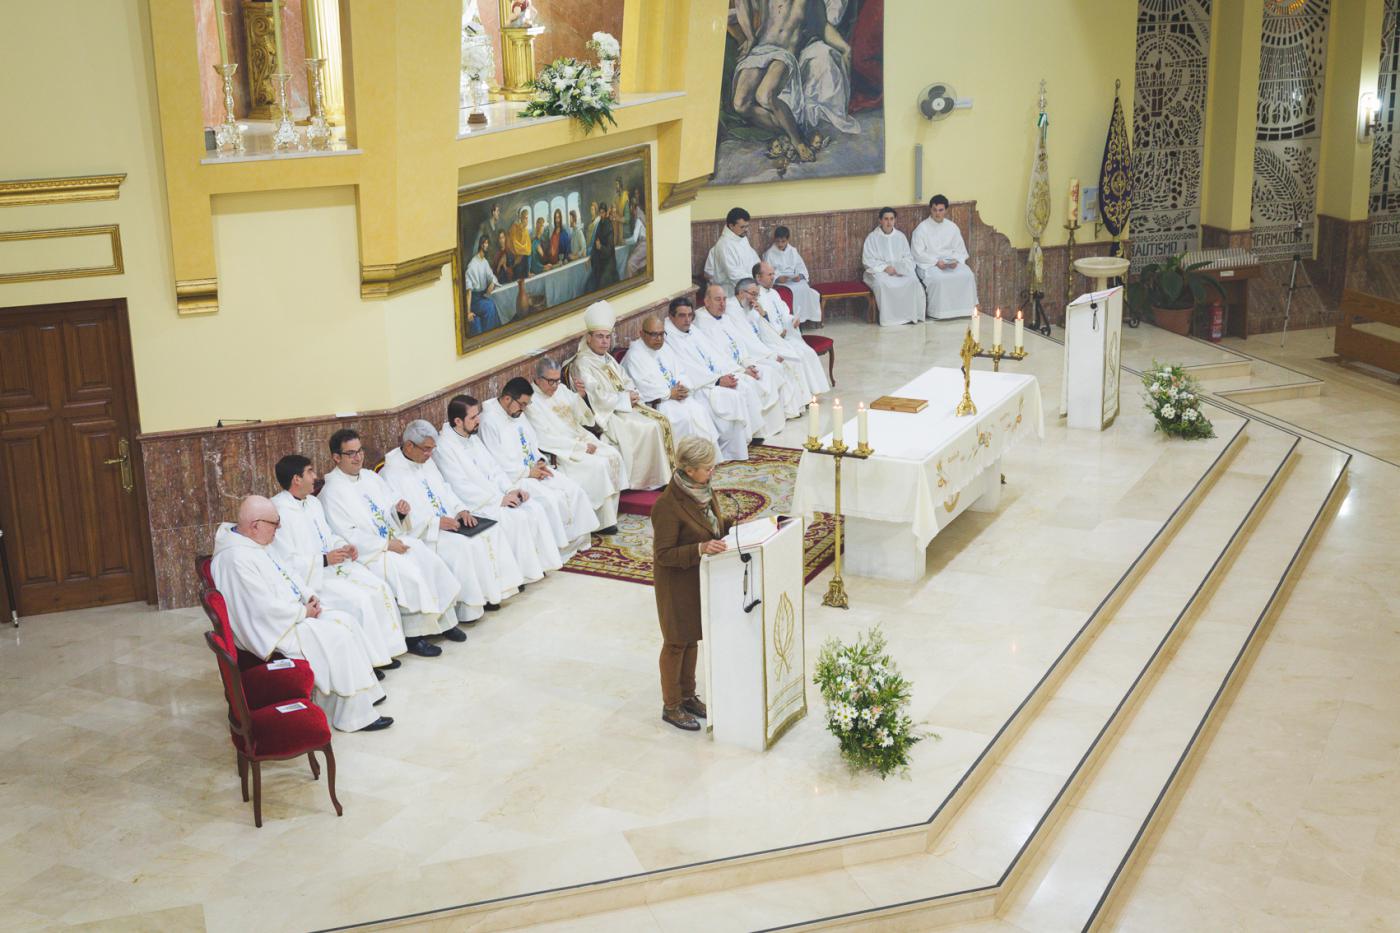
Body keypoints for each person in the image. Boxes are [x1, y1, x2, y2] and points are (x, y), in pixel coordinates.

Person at [212, 495, 391, 732]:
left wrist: (307, 595)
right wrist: (301, 611)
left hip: (292, 614)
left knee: (346, 620)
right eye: (275, 524)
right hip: (274, 628)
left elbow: (287, 573)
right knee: (338, 637)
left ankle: (362, 696)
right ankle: (353, 716)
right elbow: (260, 608)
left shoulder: (255, 543)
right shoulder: (235, 558)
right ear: (255, 525)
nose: (279, 528)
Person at [318, 428, 461, 658]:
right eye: (350, 453)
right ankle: (415, 636)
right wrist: (385, 545)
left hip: (393, 540)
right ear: (336, 457)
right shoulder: (331, 492)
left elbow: (390, 506)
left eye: (360, 451)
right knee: (409, 573)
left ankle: (445, 622)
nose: (358, 457)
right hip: (372, 554)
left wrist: (399, 512)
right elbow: (347, 534)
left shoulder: (371, 477)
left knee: (429, 560)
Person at [270, 455, 407, 670]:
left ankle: (385, 652)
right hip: (314, 578)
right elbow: (284, 561)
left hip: (334, 567)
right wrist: (323, 560)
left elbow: (327, 535)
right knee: (360, 600)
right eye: (310, 471)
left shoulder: (313, 503)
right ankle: (368, 663)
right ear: (297, 479)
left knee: (379, 587)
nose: (315, 476)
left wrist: (343, 546)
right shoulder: (277, 512)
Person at [381, 420, 524, 625]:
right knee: (464, 545)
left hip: (449, 520)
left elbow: (445, 488)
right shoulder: (391, 473)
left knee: (488, 531)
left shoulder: (426, 461)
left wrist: (460, 509)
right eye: (426, 449)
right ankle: (469, 607)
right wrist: (436, 522)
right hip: (426, 533)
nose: (430, 454)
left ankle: (491, 593)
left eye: (433, 449)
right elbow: (401, 513)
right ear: (409, 445)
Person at [435, 394, 572, 571]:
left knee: (534, 508)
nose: (479, 420)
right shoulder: (445, 447)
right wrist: (498, 500)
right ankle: (521, 572)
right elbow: (459, 486)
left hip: (497, 495)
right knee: (517, 518)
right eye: (473, 417)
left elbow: (494, 468)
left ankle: (539, 566)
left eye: (478, 415)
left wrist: (511, 489)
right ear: (458, 421)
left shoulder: (472, 437)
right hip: (479, 504)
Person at [651, 437, 732, 732]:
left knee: (692, 638)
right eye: (707, 468)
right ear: (688, 469)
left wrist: (730, 528)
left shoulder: (703, 491)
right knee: (675, 642)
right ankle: (671, 705)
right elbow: (663, 554)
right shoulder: (667, 506)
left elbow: (709, 527)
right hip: (676, 584)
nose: (712, 472)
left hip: (698, 579)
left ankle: (688, 695)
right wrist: (699, 549)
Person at [479, 377, 610, 537]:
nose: (524, 409)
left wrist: (540, 462)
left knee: (573, 490)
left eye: (527, 404)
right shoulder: (489, 422)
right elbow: (497, 462)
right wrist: (529, 472)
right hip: (516, 478)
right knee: (551, 500)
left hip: (534, 470)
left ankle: (578, 541)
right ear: (507, 399)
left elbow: (532, 441)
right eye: (522, 404)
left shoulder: (516, 412)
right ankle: (561, 547)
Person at [569, 300, 673, 490]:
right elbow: (595, 397)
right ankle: (643, 482)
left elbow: (625, 379)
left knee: (660, 421)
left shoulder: (607, 358)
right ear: (589, 338)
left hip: (623, 406)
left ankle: (658, 477)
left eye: (608, 337)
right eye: (600, 337)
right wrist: (624, 399)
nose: (604, 342)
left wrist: (631, 393)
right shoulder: (582, 363)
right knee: (648, 427)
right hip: (608, 414)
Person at [665, 294, 781, 445]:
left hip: (714, 377)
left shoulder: (692, 330)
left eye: (689, 315)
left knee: (743, 384)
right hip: (701, 386)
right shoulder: (669, 338)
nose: (687, 320)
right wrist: (718, 381)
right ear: (671, 316)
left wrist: (735, 370)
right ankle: (734, 444)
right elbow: (688, 369)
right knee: (735, 394)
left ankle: (751, 435)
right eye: (682, 316)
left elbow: (715, 354)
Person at [526, 358, 625, 531]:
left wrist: (580, 397)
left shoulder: (560, 389)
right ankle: (598, 522)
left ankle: (609, 516)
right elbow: (543, 438)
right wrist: (580, 448)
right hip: (564, 450)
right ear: (539, 379)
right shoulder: (531, 402)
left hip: (580, 436)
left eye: (557, 380)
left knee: (613, 454)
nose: (555, 386)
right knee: (599, 465)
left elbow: (580, 416)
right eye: (551, 381)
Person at [621, 314, 726, 457]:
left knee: (699, 410)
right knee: (683, 418)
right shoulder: (635, 355)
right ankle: (684, 462)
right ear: (641, 333)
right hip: (659, 403)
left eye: (661, 334)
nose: (658, 339)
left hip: (677, 396)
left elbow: (681, 372)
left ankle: (704, 460)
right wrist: (669, 393)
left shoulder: (665, 348)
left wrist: (683, 387)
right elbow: (643, 387)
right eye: (653, 334)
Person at [691, 283, 793, 424]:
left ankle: (776, 422)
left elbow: (740, 345)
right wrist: (743, 371)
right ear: (706, 301)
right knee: (751, 385)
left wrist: (749, 364)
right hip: (728, 370)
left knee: (769, 372)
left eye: (724, 299)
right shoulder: (702, 323)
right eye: (717, 299)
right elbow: (717, 356)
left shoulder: (725, 318)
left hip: (741, 365)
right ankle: (758, 430)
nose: (722, 304)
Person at [730, 278, 807, 417]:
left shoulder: (750, 306)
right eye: (753, 294)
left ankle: (799, 405)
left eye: (757, 295)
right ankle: (788, 411)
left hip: (762, 347)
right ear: (741, 292)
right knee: (781, 364)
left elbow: (764, 331)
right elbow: (746, 340)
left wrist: (763, 315)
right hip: (751, 354)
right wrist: (770, 355)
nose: (755, 298)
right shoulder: (732, 310)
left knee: (793, 357)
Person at [753, 260, 831, 394]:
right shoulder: (755, 297)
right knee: (798, 356)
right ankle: (803, 394)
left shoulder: (774, 293)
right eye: (769, 274)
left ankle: (814, 391)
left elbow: (784, 314)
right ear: (758, 277)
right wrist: (778, 333)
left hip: (786, 336)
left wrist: (792, 321)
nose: (773, 277)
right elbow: (760, 323)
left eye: (773, 274)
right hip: (773, 341)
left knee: (809, 352)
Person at [911, 194, 977, 320]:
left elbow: (960, 250)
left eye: (940, 210)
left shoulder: (952, 227)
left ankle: (965, 311)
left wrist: (955, 261)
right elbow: (917, 253)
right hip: (929, 264)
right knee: (939, 279)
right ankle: (939, 313)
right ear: (931, 210)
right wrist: (936, 262)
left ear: (946, 210)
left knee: (967, 275)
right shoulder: (922, 229)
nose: (937, 213)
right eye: (934, 210)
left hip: (951, 263)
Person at [862, 206, 927, 326]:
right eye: (886, 219)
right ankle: (889, 319)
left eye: (891, 219)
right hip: (879, 272)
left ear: (895, 220)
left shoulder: (900, 236)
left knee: (912, 281)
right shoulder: (872, 238)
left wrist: (901, 268)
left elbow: (908, 257)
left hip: (899, 271)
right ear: (880, 220)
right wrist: (885, 268)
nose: (889, 222)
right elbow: (868, 260)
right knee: (882, 284)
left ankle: (910, 316)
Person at [763, 226, 822, 325]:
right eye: (778, 241)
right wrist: (777, 279)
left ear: (787, 239)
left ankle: (803, 318)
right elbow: (768, 272)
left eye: (783, 241)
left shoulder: (793, 251)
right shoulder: (769, 254)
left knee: (805, 289)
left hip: (794, 280)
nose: (780, 244)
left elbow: (800, 266)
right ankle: (793, 320)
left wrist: (800, 276)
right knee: (793, 292)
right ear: (775, 240)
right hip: (781, 283)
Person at [704, 207, 761, 296]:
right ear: (731, 226)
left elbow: (754, 259)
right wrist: (753, 282)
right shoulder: (724, 245)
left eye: (747, 226)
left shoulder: (742, 238)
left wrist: (760, 273)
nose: (746, 230)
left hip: (749, 286)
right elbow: (734, 275)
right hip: (731, 292)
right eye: (742, 227)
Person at [464, 235, 505, 335]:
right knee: (489, 306)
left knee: (494, 304)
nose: (487, 245)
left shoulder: (484, 262)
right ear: (481, 245)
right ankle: (489, 334)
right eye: (485, 243)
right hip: (474, 300)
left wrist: (492, 283)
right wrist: (468, 312)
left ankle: (495, 334)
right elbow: (468, 291)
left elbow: (491, 276)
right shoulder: (472, 265)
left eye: (487, 243)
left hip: (481, 297)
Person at [588, 203, 618, 291]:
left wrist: (600, 247)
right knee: (590, 285)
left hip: (609, 263)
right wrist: (590, 258)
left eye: (603, 213)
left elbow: (609, 250)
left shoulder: (609, 226)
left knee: (601, 284)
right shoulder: (599, 225)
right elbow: (595, 244)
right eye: (600, 213)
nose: (601, 215)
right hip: (601, 262)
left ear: (605, 213)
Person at [622, 195, 648, 278]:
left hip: (645, 245)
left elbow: (634, 239)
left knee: (630, 263)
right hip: (644, 244)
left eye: (630, 208)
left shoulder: (639, 219)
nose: (630, 210)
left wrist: (625, 241)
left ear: (633, 207)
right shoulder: (641, 215)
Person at [507, 207, 532, 280]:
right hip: (517, 262)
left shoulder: (526, 231)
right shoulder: (514, 228)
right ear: (520, 218)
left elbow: (529, 249)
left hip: (526, 262)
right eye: (525, 218)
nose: (526, 221)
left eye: (527, 218)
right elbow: (514, 245)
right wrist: (524, 250)